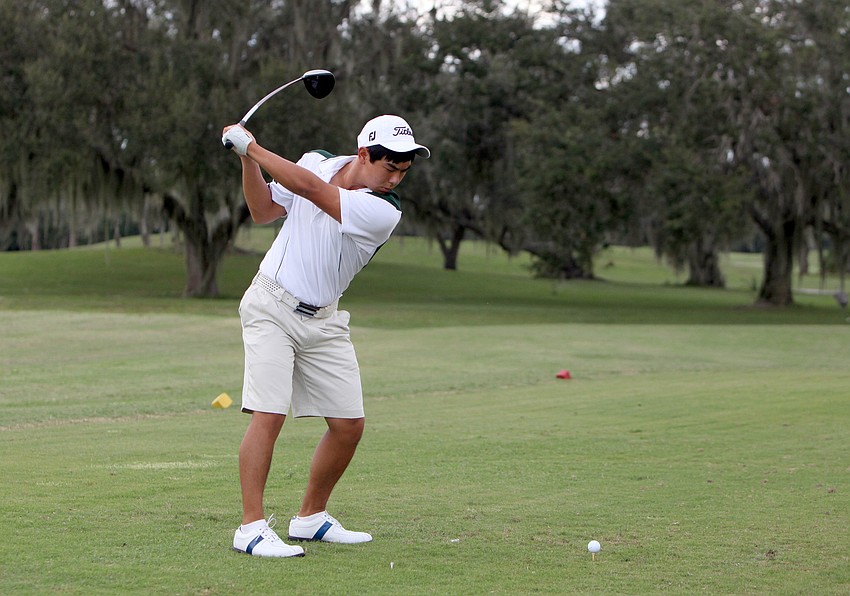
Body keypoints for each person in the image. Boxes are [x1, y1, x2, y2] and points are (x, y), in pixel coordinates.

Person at [221, 115, 430, 558]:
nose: (395, 178)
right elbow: (263, 211)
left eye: (403, 170)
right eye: (389, 166)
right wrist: (247, 161)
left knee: (348, 426)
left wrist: (253, 147)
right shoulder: (315, 161)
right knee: (269, 414)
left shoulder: (383, 210)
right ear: (363, 154)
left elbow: (312, 192)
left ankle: (310, 518)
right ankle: (251, 527)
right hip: (271, 305)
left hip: (325, 320)